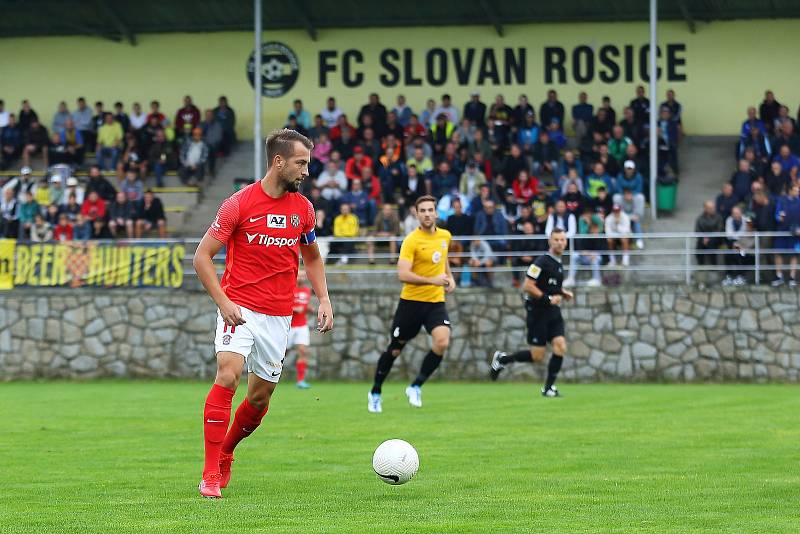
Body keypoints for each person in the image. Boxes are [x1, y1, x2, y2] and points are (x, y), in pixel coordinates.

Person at [192, 128, 333, 499]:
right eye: (301, 163)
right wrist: (223, 302)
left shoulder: (303, 209)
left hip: (278, 316)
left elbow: (313, 257)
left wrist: (325, 299)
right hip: (237, 306)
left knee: (259, 399)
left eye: (308, 164)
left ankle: (226, 452)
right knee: (227, 374)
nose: (306, 171)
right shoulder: (237, 204)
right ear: (278, 161)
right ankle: (209, 473)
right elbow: (201, 257)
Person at [368, 195, 455, 413]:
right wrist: (432, 280)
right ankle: (375, 392)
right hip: (411, 303)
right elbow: (403, 274)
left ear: (436, 213)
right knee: (396, 349)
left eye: (430, 210)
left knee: (442, 341)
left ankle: (415, 386)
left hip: (435, 301)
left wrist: (449, 277)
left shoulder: (445, 236)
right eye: (423, 210)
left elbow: (443, 260)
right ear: (417, 214)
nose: (427, 214)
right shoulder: (411, 241)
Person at [490, 228, 573, 397]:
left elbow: (549, 286)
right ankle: (502, 359)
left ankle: (548, 388)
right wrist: (548, 299)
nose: (560, 242)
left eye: (563, 239)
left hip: (553, 313)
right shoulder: (541, 262)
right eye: (556, 239)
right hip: (538, 313)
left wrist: (562, 292)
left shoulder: (558, 263)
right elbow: (527, 286)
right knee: (537, 356)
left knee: (560, 346)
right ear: (550, 241)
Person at [288, 271, 313, 389]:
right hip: (288, 327)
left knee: (303, 351)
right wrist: (294, 308)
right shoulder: (289, 289)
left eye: (304, 276)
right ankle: (270, 377)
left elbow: (304, 306)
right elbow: (282, 305)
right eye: (300, 275)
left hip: (302, 325)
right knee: (282, 354)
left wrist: (309, 309)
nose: (302, 277)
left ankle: (300, 381)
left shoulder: (307, 290)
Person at [772, 184, 800, 287]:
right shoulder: (782, 201)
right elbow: (777, 215)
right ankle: (779, 276)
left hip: (796, 234)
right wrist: (780, 218)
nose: (797, 193)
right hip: (782, 231)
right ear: (790, 191)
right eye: (795, 191)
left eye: (798, 191)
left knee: (794, 254)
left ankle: (792, 278)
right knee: (778, 253)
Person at [695, 200, 724, 271]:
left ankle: (713, 267)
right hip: (703, 239)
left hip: (716, 239)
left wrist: (709, 238)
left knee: (711, 245)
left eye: (713, 207)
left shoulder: (718, 217)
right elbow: (697, 230)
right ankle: (700, 266)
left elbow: (719, 230)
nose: (713, 209)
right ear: (705, 208)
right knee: (699, 247)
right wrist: (703, 238)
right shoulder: (700, 218)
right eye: (710, 208)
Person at [723, 206, 748, 286]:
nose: (735, 215)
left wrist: (737, 239)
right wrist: (736, 240)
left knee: (740, 255)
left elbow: (745, 232)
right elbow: (728, 234)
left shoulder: (746, 220)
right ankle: (729, 276)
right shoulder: (729, 220)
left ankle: (741, 276)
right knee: (728, 255)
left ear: (741, 213)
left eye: (737, 213)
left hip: (744, 242)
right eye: (734, 213)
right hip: (732, 242)